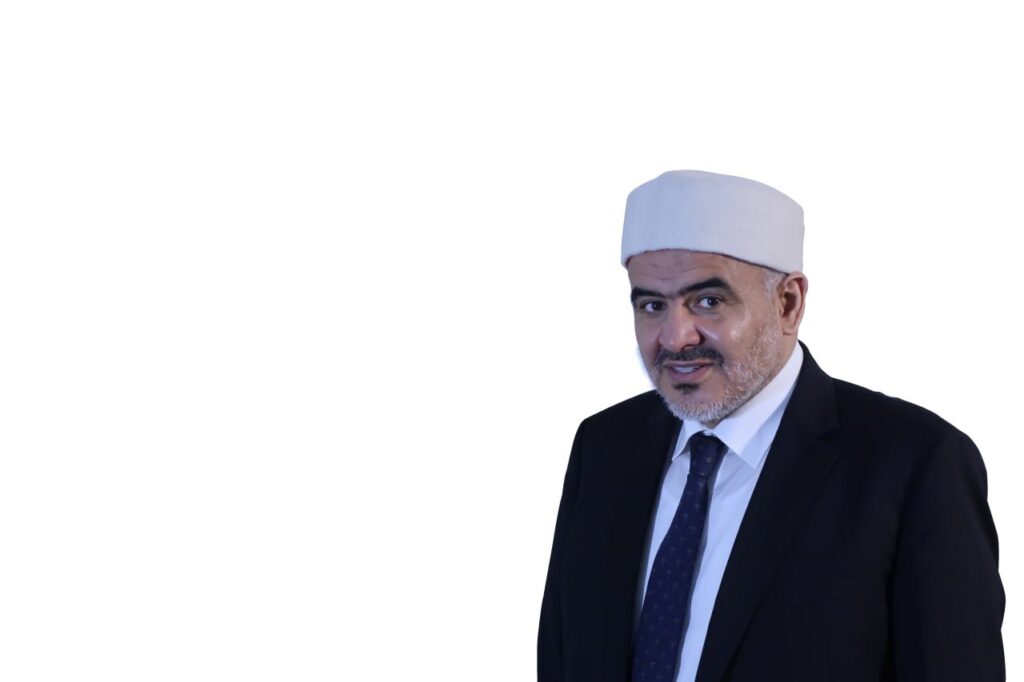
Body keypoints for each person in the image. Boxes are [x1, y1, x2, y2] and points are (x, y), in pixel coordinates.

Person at [537, 170, 1004, 682]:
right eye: (652, 306)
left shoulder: (912, 463)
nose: (675, 338)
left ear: (788, 304)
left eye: (708, 302)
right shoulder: (604, 446)